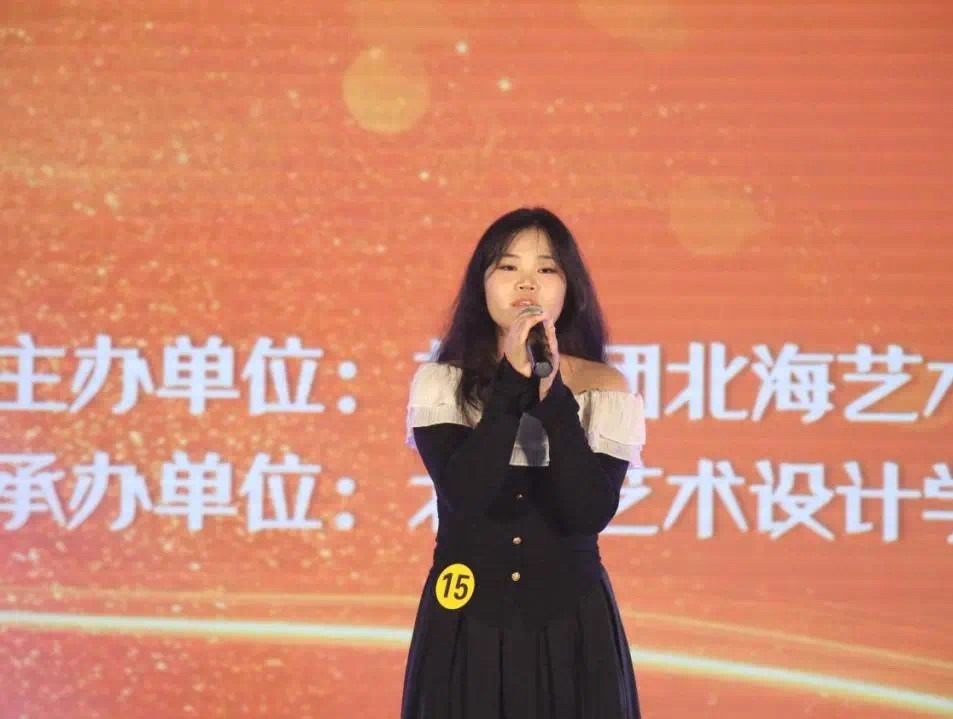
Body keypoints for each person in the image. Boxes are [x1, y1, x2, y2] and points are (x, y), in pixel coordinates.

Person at [401, 207, 646, 718]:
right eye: (508, 267)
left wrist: (551, 394)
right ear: (482, 284)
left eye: (547, 269)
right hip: (465, 620)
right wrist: (510, 386)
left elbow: (587, 512)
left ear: (569, 288)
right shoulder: (443, 383)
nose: (527, 283)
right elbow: (466, 495)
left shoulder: (605, 388)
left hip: (572, 625)